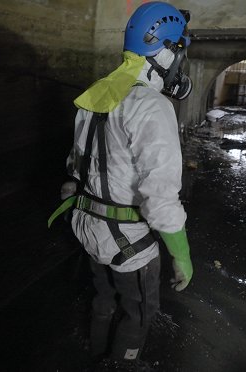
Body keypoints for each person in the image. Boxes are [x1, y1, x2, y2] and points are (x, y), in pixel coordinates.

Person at [48, 1, 194, 364]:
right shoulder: (152, 105)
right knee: (139, 312)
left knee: (103, 299)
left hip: (89, 227)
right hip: (130, 241)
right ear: (165, 51)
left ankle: (99, 356)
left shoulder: (98, 92)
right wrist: (182, 255)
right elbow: (160, 200)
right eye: (179, 53)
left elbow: (75, 164)